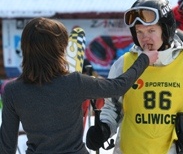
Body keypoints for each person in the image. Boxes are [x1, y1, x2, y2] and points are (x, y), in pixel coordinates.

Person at [86, 0, 183, 154]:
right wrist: (104, 129)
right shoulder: (124, 64)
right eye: (139, 32)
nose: (145, 38)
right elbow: (113, 106)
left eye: (151, 30)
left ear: (165, 30)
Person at [0, 17, 158, 154]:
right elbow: (118, 86)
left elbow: (6, 147)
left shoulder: (13, 91)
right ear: (59, 51)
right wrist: (143, 59)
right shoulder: (74, 83)